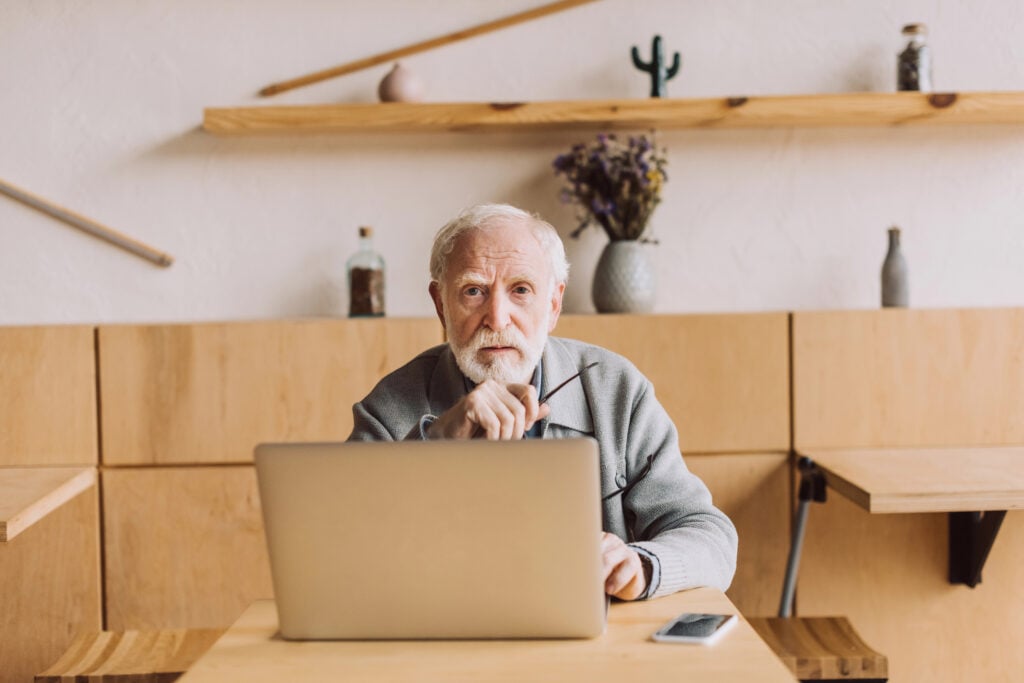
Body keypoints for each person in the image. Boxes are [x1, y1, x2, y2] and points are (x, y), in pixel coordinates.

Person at [348, 203, 737, 601]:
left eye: (521, 290)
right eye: (473, 291)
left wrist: (641, 565)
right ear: (440, 305)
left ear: (553, 304)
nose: (497, 318)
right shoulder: (388, 408)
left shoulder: (617, 390)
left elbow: (711, 537)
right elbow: (341, 548)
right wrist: (435, 441)